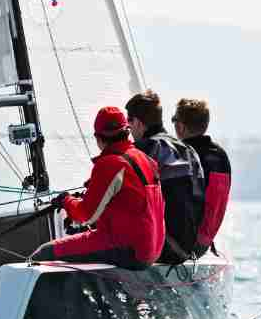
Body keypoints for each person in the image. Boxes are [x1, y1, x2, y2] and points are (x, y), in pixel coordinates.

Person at [30, 107, 165, 270]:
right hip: (153, 248)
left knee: (43, 254)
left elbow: (86, 216)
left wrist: (66, 201)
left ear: (98, 138)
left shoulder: (110, 164)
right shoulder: (145, 159)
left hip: (129, 249)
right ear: (126, 132)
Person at [125, 90, 206, 264]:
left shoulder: (144, 149)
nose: (128, 128)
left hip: (163, 248)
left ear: (138, 123)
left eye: (129, 121)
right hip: (188, 248)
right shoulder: (188, 149)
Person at [172, 98, 232, 258]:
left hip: (183, 247)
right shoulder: (221, 155)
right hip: (203, 244)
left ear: (181, 126)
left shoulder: (183, 154)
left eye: (174, 120)